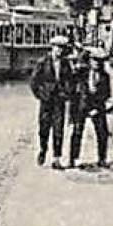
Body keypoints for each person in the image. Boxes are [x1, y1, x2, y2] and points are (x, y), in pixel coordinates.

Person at [29, 34, 76, 168]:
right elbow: (34, 81)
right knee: (44, 128)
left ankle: (56, 158)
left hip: (59, 101)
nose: (59, 51)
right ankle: (43, 150)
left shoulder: (66, 63)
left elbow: (70, 80)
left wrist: (66, 93)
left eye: (62, 48)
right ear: (52, 48)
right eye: (57, 48)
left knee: (58, 129)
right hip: (46, 101)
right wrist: (40, 95)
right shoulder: (43, 62)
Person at [69, 45, 113, 169]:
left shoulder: (105, 76)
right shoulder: (81, 74)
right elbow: (76, 91)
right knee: (77, 132)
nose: (97, 64)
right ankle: (74, 159)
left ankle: (102, 158)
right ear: (90, 60)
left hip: (98, 107)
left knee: (102, 132)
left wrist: (96, 108)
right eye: (94, 60)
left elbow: (106, 94)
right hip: (81, 106)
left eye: (100, 61)